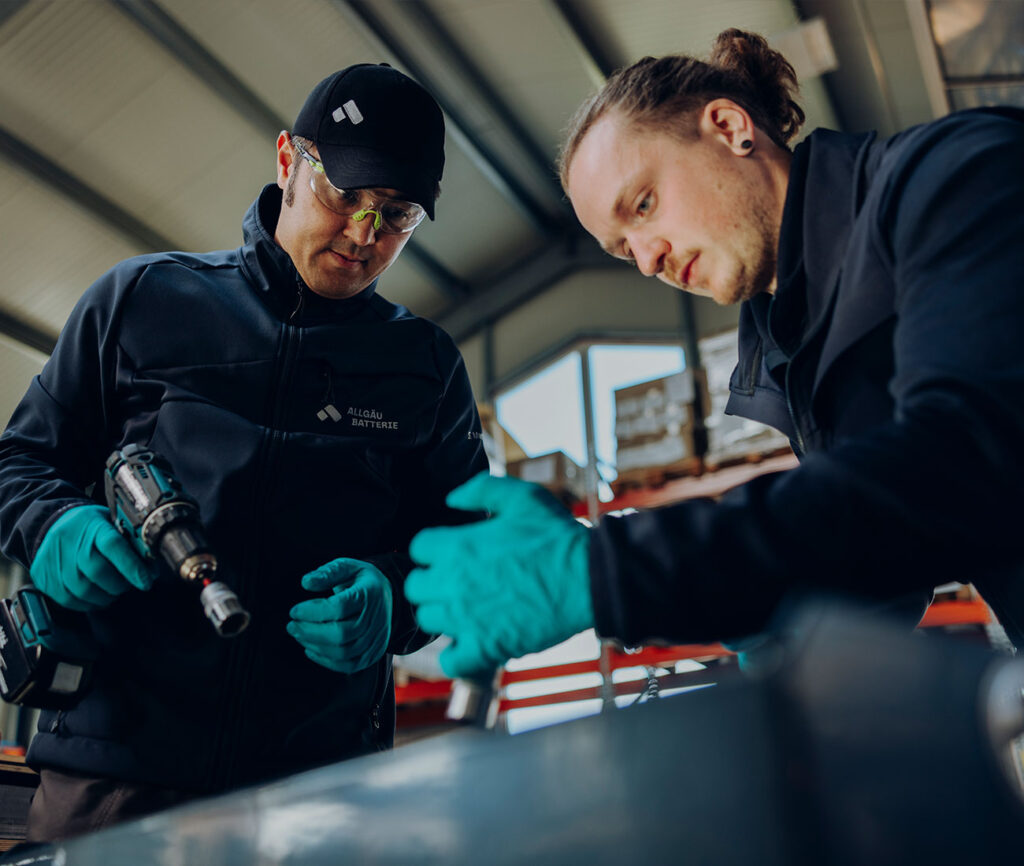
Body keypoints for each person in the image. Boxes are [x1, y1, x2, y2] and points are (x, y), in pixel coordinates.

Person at [404, 29, 1024, 679]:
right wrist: (750, 622)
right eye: (623, 250)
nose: (648, 260)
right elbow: (889, 562)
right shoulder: (793, 347)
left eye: (642, 205)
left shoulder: (958, 178)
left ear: (729, 128)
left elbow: (969, 456)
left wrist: (613, 571)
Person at [0, 63, 488, 840]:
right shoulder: (142, 302)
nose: (364, 237)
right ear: (290, 161)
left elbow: (465, 545)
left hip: (319, 790)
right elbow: (19, 462)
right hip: (117, 774)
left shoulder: (424, 368)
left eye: (395, 216)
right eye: (346, 198)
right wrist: (54, 527)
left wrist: (395, 600)